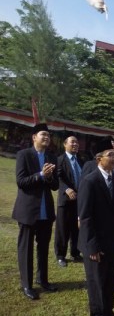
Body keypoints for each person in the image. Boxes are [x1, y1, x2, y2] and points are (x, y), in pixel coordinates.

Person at [78, 137, 114, 316]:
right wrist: (91, 246)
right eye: (110, 155)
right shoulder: (90, 181)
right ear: (99, 158)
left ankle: (109, 311)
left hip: (113, 241)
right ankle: (98, 315)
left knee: (111, 279)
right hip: (96, 242)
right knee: (96, 280)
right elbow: (86, 217)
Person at [13, 122, 59, 300]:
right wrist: (40, 174)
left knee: (43, 247)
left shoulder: (52, 157)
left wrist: (48, 177)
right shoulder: (24, 155)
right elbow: (21, 182)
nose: (47, 138)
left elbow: (55, 186)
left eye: (48, 135)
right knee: (26, 249)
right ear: (34, 138)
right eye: (43, 135)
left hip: (45, 211)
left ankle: (43, 279)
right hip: (28, 210)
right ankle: (27, 284)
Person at [54, 134, 83, 267]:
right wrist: (67, 189)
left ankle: (75, 252)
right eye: (72, 142)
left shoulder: (81, 160)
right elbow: (58, 177)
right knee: (62, 228)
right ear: (65, 144)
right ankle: (61, 255)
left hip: (79, 200)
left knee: (76, 228)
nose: (75, 144)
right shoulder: (60, 160)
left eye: (77, 142)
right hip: (65, 200)